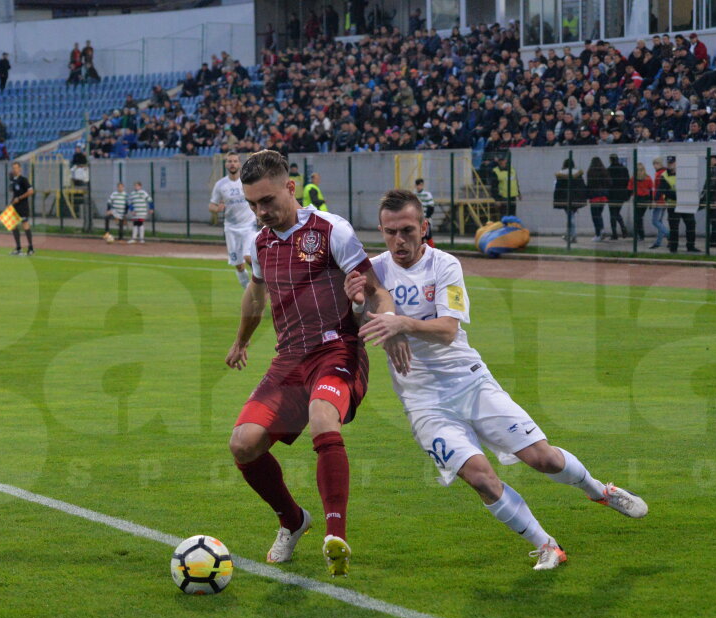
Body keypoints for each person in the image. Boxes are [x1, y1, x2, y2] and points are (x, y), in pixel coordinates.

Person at [347, 189, 647, 570]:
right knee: (481, 479)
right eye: (390, 232)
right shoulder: (374, 270)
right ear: (381, 230)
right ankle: (547, 545)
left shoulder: (445, 265)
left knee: (543, 458)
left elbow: (448, 330)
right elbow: (357, 327)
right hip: (423, 401)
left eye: (407, 230)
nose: (399, 240)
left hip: (470, 383)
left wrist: (403, 324)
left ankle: (599, 491)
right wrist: (357, 304)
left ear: (424, 227)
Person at [226, 149, 404, 577]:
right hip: (289, 360)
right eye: (252, 203)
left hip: (337, 350)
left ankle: (335, 534)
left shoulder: (330, 230)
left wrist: (389, 322)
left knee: (324, 416)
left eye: (266, 200)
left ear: (290, 187)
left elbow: (375, 289)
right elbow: (256, 292)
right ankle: (293, 519)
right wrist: (241, 342)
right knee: (243, 443)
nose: (260, 211)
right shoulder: (260, 240)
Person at [209, 152, 257, 288]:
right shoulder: (220, 185)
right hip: (231, 228)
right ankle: (249, 291)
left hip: (249, 226)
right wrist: (217, 208)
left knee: (249, 257)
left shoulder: (247, 181)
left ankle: (261, 283)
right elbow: (211, 205)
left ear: (239, 163)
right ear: (226, 164)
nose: (232, 164)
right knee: (238, 265)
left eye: (235, 161)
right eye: (229, 161)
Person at [661, 156, 697, 253]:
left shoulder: (684, 174)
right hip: (673, 205)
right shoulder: (664, 175)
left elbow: (690, 186)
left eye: (672, 163)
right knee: (674, 227)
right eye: (669, 163)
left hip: (685, 204)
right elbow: (665, 191)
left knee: (691, 225)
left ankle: (691, 246)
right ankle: (673, 248)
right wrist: (681, 195)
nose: (670, 165)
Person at [552, 158, 586, 244]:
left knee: (570, 217)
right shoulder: (578, 174)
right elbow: (582, 187)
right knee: (571, 216)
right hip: (576, 198)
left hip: (565, 199)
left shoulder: (561, 174)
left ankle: (573, 235)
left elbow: (556, 188)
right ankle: (568, 234)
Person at [7, 161, 35, 256]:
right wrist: (11, 204)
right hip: (15, 206)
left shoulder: (23, 180)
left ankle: (30, 248)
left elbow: (31, 191)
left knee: (25, 225)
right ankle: (18, 248)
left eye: (16, 168)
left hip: (23, 206)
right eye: (13, 168)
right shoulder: (14, 180)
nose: (14, 170)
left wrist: (19, 198)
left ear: (20, 169)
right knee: (13, 226)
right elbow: (15, 194)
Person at [606, 155, 631, 241]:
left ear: (610, 160)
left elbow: (608, 182)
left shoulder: (609, 170)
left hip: (612, 194)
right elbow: (628, 181)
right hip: (622, 194)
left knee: (613, 213)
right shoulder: (624, 169)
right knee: (616, 212)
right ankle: (623, 229)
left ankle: (615, 233)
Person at [648, 156, 670, 249]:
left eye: (656, 164)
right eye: (654, 164)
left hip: (659, 200)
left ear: (660, 164)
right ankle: (658, 242)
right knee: (659, 221)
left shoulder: (659, 174)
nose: (654, 166)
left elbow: (658, 189)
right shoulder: (664, 172)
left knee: (655, 221)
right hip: (664, 200)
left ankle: (669, 235)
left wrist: (655, 200)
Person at [586, 157, 610, 242]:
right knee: (599, 214)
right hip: (603, 197)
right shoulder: (604, 172)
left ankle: (598, 233)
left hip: (594, 196)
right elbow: (609, 183)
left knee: (595, 216)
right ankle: (601, 231)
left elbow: (589, 185)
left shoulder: (590, 172)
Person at [632, 162, 653, 241]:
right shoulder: (648, 178)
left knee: (637, 218)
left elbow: (630, 189)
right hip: (645, 199)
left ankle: (639, 235)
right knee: (639, 217)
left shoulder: (633, 178)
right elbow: (651, 191)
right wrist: (650, 203)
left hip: (638, 199)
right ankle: (640, 235)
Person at [414, 178, 436, 247]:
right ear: (416, 185)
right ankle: (420, 253)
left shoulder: (427, 195)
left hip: (425, 219)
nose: (419, 186)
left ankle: (433, 251)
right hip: (416, 220)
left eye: (421, 185)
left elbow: (431, 207)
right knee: (419, 237)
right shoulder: (413, 195)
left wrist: (427, 217)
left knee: (428, 236)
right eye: (418, 185)